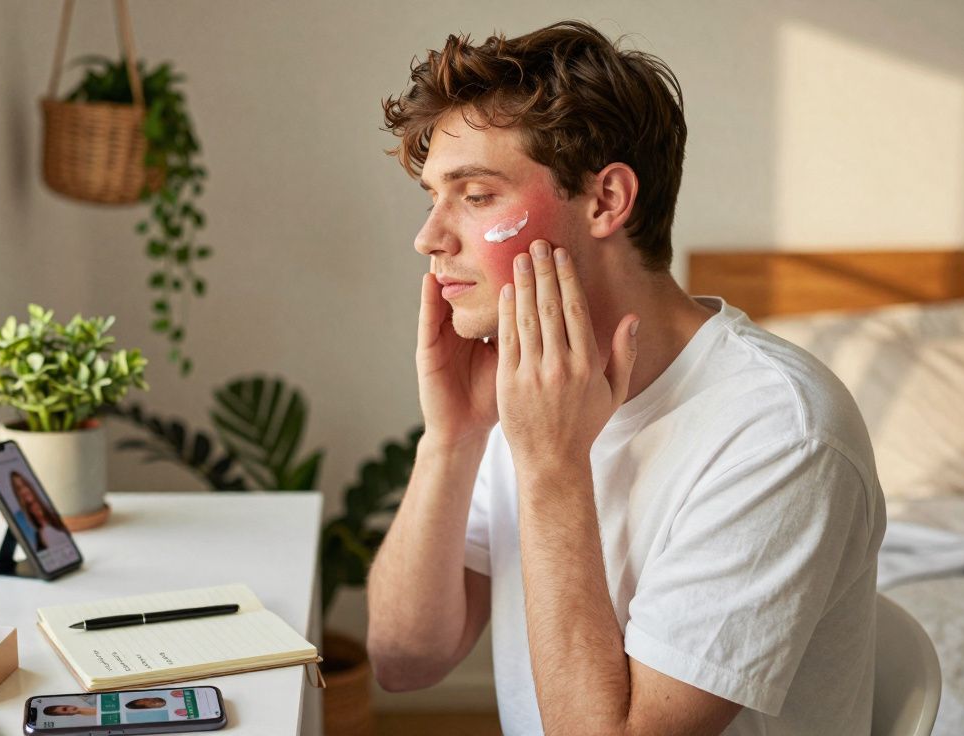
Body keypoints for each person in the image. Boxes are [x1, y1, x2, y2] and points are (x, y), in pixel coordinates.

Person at [365, 20, 886, 736]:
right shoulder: (528, 378)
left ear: (607, 200)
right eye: (433, 197)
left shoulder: (781, 433)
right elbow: (404, 661)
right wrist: (452, 439)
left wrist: (552, 466)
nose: (429, 238)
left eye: (477, 195)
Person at [10, 470, 65, 552]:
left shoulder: (50, 510)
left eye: (24, 485)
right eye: (19, 488)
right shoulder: (21, 520)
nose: (24, 490)